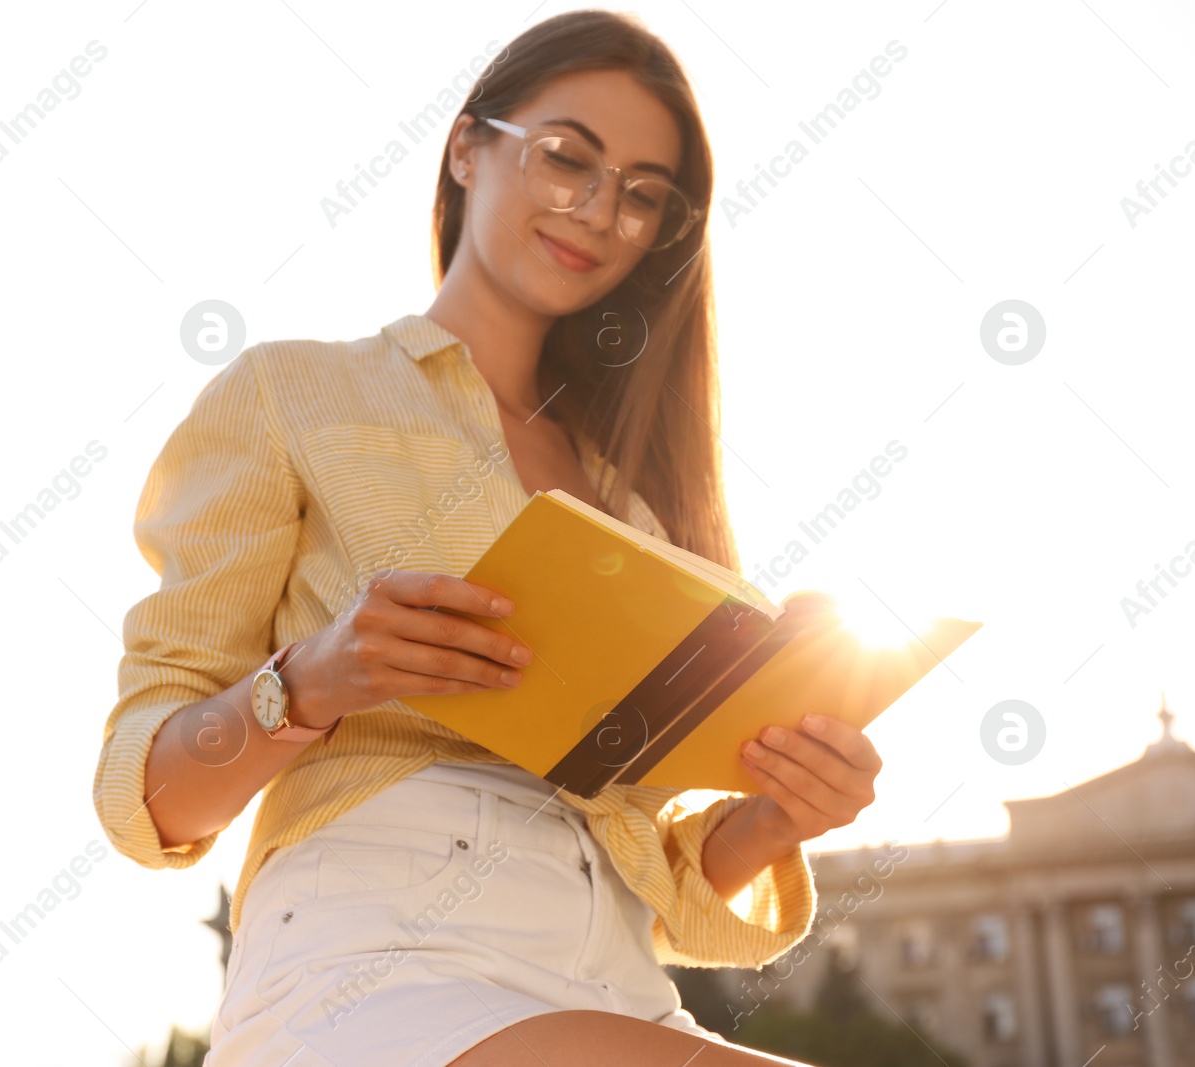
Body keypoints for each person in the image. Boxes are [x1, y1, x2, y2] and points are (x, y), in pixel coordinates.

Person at [92, 10, 884, 1065]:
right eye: (568, 158)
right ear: (467, 147)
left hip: (613, 984)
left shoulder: (638, 512)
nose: (599, 211)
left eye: (642, 193)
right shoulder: (291, 393)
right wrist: (314, 679)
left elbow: (666, 888)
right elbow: (142, 792)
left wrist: (779, 813)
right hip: (373, 965)